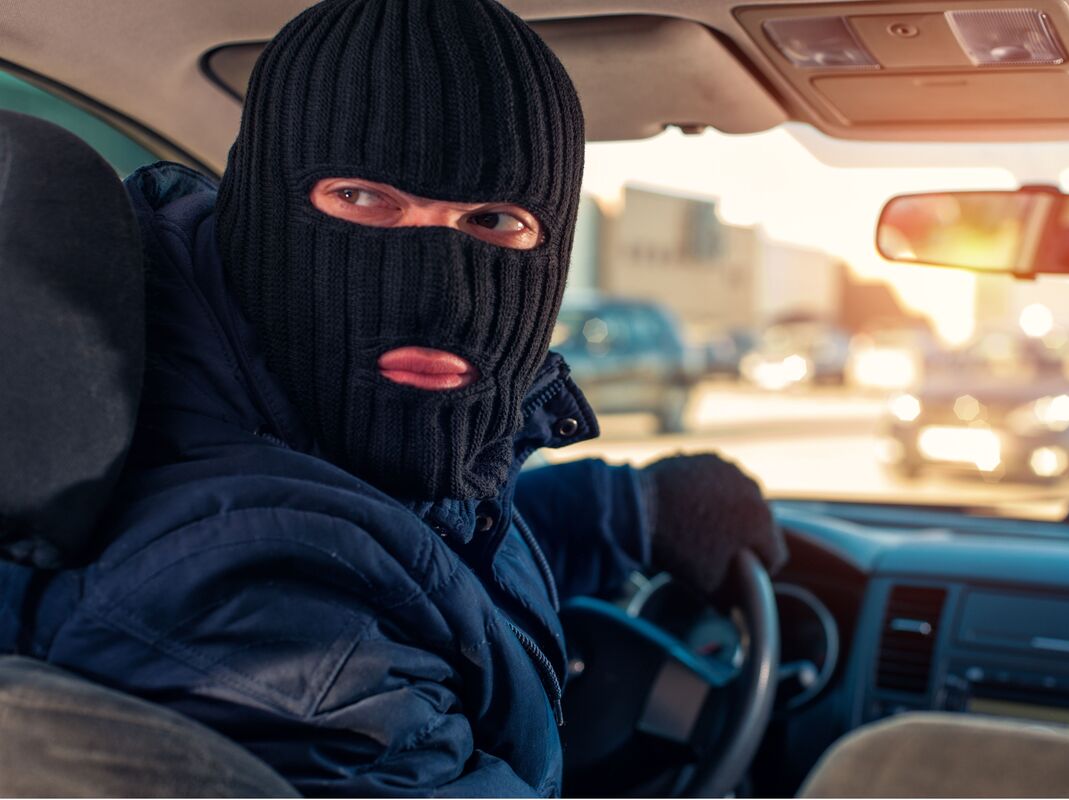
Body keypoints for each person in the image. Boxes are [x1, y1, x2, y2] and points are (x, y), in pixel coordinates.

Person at [9, 0, 784, 794]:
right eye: (364, 198)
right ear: (261, 207)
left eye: (494, 218)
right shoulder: (263, 619)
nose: (445, 288)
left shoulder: (259, 409)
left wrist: (619, 513)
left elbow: (419, 551)